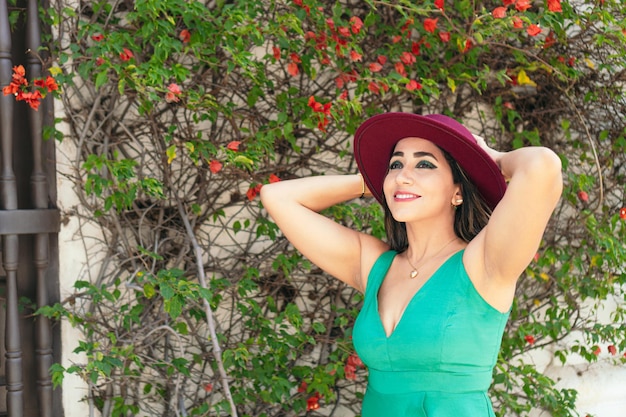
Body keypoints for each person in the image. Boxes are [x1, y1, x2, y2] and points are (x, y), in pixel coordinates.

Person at [260, 112, 562, 416]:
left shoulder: (483, 263)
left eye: (424, 164)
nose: (403, 174)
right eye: (395, 164)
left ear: (458, 191)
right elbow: (277, 197)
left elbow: (543, 166)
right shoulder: (375, 266)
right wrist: (373, 182)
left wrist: (492, 159)